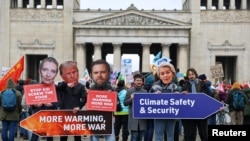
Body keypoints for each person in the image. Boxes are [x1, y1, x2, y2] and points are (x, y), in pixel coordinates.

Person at [30, 57, 59, 141]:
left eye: (52, 71)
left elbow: (60, 103)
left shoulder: (58, 89)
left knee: (49, 138)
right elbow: (27, 103)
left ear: (56, 74)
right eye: (45, 70)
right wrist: (34, 104)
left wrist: (52, 104)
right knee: (34, 138)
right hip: (36, 118)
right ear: (40, 71)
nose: (48, 74)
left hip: (50, 119)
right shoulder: (34, 89)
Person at [57, 61, 87, 141]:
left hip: (76, 114)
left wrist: (79, 107)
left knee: (77, 136)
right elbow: (57, 87)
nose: (72, 76)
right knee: (63, 136)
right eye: (68, 73)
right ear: (63, 76)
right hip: (64, 114)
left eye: (74, 72)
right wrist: (66, 84)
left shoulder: (81, 87)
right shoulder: (62, 85)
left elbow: (84, 99)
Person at [149, 62, 179, 141]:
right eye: (162, 73)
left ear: (172, 74)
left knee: (170, 136)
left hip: (171, 115)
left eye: (168, 72)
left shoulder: (175, 86)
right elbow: (147, 100)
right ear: (159, 76)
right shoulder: (155, 86)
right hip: (158, 115)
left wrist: (180, 95)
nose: (165, 75)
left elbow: (180, 103)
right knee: (158, 136)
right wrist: (153, 95)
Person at [181, 68, 212, 141]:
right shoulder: (185, 86)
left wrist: (202, 96)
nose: (191, 76)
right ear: (187, 76)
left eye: (192, 74)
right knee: (190, 135)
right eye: (189, 75)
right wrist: (182, 94)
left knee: (203, 134)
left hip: (201, 113)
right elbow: (181, 100)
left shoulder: (202, 84)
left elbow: (210, 95)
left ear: (195, 75)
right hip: (190, 114)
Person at [89, 59, 116, 141]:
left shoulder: (112, 89)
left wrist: (114, 101)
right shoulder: (90, 89)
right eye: (96, 73)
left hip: (108, 121)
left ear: (109, 74)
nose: (99, 75)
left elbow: (119, 108)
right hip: (94, 120)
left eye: (103, 72)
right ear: (91, 75)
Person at [124, 73, 147, 141]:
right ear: (134, 81)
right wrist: (131, 99)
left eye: (140, 80)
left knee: (140, 138)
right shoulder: (130, 91)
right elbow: (125, 103)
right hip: (133, 119)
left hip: (142, 119)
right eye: (137, 80)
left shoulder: (145, 92)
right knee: (134, 137)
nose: (139, 82)